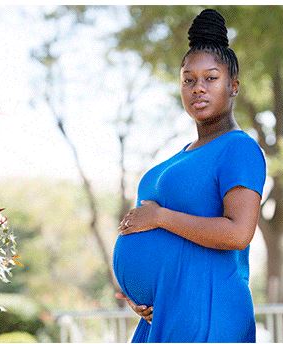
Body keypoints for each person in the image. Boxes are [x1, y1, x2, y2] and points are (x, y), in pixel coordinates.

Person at [112, 8, 266, 343]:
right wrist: (143, 290)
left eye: (211, 78)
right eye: (188, 79)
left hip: (208, 315)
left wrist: (160, 217)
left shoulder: (237, 149)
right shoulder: (182, 155)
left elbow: (239, 233)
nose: (198, 88)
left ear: (233, 85)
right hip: (166, 314)